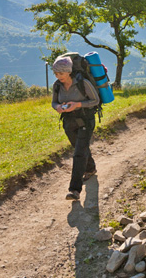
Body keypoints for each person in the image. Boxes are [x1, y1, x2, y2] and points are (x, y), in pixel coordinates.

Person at [51, 56, 100, 201]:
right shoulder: (57, 85)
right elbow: (53, 102)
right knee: (80, 148)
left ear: (68, 72)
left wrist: (77, 104)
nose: (58, 76)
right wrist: (58, 107)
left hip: (85, 119)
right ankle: (90, 168)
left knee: (78, 153)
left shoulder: (82, 83)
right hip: (68, 121)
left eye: (61, 73)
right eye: (56, 73)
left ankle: (75, 190)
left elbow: (95, 100)